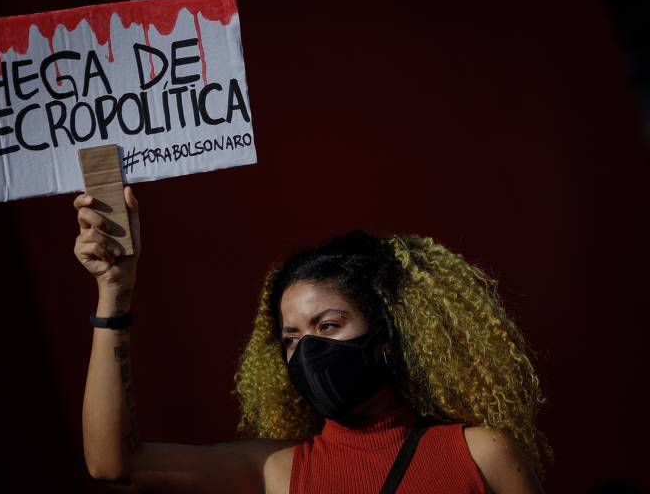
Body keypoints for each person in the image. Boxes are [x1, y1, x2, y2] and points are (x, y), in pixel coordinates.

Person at [74, 186, 552, 493]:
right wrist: (114, 291)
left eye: (327, 326)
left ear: (385, 337)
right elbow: (114, 463)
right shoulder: (278, 471)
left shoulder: (481, 453)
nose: (308, 350)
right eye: (291, 338)